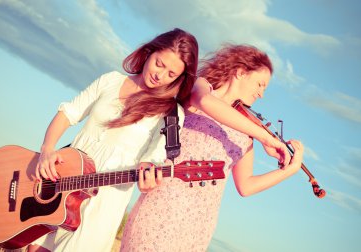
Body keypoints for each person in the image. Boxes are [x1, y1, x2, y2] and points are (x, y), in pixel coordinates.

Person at [27, 28, 199, 252]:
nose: (160, 75)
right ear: (149, 51)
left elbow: (155, 158)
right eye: (159, 63)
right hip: (61, 184)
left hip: (103, 202)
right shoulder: (110, 80)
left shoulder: (172, 114)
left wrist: (150, 175)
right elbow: (68, 113)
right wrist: (47, 149)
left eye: (171, 74)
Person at [120, 44, 304, 251]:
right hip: (162, 207)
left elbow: (246, 186)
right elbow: (206, 102)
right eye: (260, 84)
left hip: (199, 226)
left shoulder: (247, 133)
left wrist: (289, 170)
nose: (261, 94)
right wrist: (266, 137)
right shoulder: (201, 88)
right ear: (241, 73)